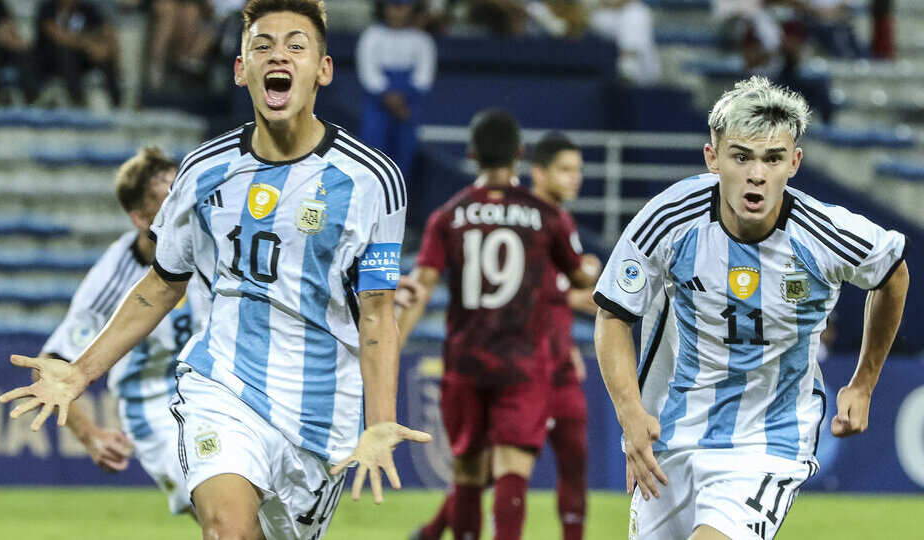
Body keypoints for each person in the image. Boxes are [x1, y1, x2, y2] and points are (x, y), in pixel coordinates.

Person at [1, 2, 431, 539]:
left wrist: (380, 420)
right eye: (263, 45)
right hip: (222, 384)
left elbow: (376, 314)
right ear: (240, 68)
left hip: (321, 411)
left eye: (296, 45)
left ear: (322, 69)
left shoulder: (373, 180)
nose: (279, 55)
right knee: (226, 530)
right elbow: (161, 283)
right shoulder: (204, 171)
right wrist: (82, 371)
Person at [593, 76, 908, 540]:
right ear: (713, 158)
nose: (756, 174)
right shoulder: (669, 219)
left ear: (795, 162)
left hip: (768, 444)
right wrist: (631, 414)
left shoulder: (824, 234)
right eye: (741, 156)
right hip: (675, 437)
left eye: (773, 158)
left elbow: (892, 272)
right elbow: (613, 315)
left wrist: (863, 384)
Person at [397, 110, 600, 540]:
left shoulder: (448, 216)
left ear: (471, 154)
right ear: (521, 155)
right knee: (512, 472)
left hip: (465, 361)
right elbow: (581, 277)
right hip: (522, 366)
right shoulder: (546, 216)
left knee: (468, 473)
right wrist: (585, 268)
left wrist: (392, 343)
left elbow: (421, 286)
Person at [41, 147, 205, 516]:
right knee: (222, 516)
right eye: (169, 192)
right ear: (140, 218)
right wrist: (91, 436)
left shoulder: (211, 242)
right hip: (156, 407)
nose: (183, 197)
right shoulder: (113, 277)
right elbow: (50, 363)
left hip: (219, 391)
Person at [356, 0, 437, 183]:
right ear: (383, 8)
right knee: (372, 154)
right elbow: (368, 73)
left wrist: (402, 99)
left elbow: (424, 76)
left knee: (404, 156)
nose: (398, 11)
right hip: (378, 105)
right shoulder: (372, 36)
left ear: (412, 9)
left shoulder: (422, 40)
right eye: (393, 6)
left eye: (403, 6)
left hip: (408, 104)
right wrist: (388, 97)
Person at [34, 0, 122, 107]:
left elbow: (107, 31)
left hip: (81, 58)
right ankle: (77, 99)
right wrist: (88, 45)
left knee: (104, 55)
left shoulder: (87, 9)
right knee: (66, 53)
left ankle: (117, 101)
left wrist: (103, 48)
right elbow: (58, 36)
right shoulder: (47, 9)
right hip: (52, 60)